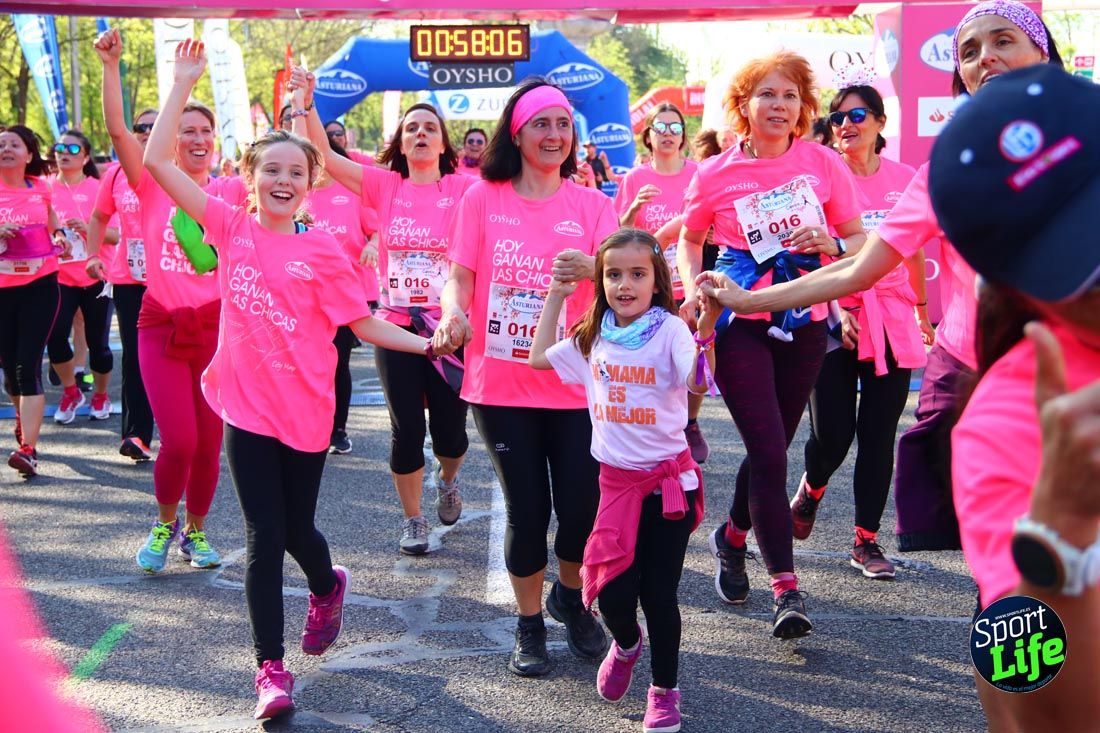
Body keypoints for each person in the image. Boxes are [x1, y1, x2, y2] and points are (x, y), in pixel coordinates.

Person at [148, 39, 449, 720]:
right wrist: (182, 81)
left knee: (298, 533)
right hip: (247, 410)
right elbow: (160, 160)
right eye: (271, 169)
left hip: (308, 411)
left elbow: (364, 324)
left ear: (311, 183)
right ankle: (270, 668)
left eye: (296, 171)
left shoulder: (324, 248)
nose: (283, 180)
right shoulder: (228, 226)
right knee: (262, 536)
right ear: (250, 177)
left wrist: (426, 342)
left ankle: (325, 582)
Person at [695, 0, 1064, 554]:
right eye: (969, 51)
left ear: (1043, 53)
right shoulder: (946, 168)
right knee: (995, 541)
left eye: (1003, 41)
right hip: (969, 368)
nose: (986, 58)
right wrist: (750, 301)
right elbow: (862, 264)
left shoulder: (1086, 140)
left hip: (1069, 374)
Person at [929, 63, 1100, 732]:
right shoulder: (1012, 419)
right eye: (1077, 267)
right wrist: (1058, 536)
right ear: (1014, 287)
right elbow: (1023, 699)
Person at [678, 50, 866, 638]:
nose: (779, 105)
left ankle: (732, 539)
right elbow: (689, 240)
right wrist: (692, 290)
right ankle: (786, 588)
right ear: (743, 105)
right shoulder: (715, 172)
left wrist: (831, 245)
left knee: (775, 446)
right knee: (768, 451)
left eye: (788, 95)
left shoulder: (824, 164)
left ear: (802, 105)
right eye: (766, 94)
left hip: (805, 319)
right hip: (740, 324)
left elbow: (860, 242)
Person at [434, 78, 616, 676]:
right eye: (542, 124)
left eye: (563, 125)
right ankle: (530, 623)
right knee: (528, 509)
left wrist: (595, 266)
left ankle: (570, 595)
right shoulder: (482, 198)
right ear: (518, 131)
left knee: (581, 508)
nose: (555, 136)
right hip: (501, 384)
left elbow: (628, 279)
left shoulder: (591, 205)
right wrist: (455, 311)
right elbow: (457, 276)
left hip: (572, 380)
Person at [529, 229, 713, 733]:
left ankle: (664, 691)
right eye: (613, 275)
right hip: (614, 487)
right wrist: (555, 294)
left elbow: (698, 381)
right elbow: (539, 357)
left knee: (658, 594)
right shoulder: (594, 336)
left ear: (657, 282)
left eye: (637, 274)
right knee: (611, 595)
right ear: (600, 280)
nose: (625, 284)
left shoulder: (672, 331)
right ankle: (627, 645)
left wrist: (708, 328)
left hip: (668, 487)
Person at [296, 76, 473, 556]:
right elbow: (324, 158)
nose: (420, 133)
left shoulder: (464, 189)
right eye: (411, 127)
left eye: (429, 128)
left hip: (449, 324)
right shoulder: (383, 185)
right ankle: (413, 520)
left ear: (442, 142)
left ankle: (449, 478)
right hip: (394, 324)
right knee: (406, 429)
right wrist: (306, 104)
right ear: (399, 140)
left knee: (451, 433)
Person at [97, 27, 248, 573]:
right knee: (179, 440)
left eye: (205, 130)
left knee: (209, 445)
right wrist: (114, 67)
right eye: (186, 130)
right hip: (160, 325)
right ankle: (164, 522)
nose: (197, 138)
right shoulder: (152, 183)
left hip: (216, 330)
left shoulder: (232, 192)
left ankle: (197, 532)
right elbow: (119, 129)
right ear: (171, 136)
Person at [791, 78, 934, 580]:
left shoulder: (905, 178)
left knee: (878, 433)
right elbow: (805, 260)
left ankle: (866, 541)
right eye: (837, 119)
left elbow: (912, 248)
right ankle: (811, 486)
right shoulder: (818, 181)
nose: (846, 126)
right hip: (832, 317)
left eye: (857, 116)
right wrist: (835, 310)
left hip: (891, 318)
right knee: (833, 433)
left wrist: (919, 307)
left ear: (879, 124)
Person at [615, 103, 710, 465]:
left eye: (675, 126)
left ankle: (690, 421)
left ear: (683, 136)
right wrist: (631, 210)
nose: (668, 132)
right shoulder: (635, 179)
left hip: (689, 282)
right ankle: (652, 429)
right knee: (653, 362)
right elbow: (617, 235)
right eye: (660, 126)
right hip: (647, 287)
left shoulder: (700, 174)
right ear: (649, 136)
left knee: (695, 350)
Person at [298, 136, 380, 455]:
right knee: (305, 362)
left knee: (338, 362)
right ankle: (309, 425)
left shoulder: (352, 193)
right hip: (303, 294)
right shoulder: (300, 194)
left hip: (346, 293)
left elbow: (376, 227)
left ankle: (338, 429)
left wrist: (373, 244)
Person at [86, 108, 159, 461]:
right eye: (140, 127)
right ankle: (137, 435)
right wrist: (91, 255)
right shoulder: (115, 174)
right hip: (130, 278)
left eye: (155, 126)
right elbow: (99, 218)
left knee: (185, 354)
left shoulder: (176, 171)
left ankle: (194, 430)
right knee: (135, 356)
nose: (146, 132)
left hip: (176, 277)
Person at [0, 125, 68, 476]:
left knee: (28, 365)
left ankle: (28, 448)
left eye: (14, 144)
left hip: (41, 284)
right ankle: (21, 422)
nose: (6, 148)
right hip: (1, 290)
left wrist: (59, 235)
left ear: (28, 154)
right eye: (1, 144)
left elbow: (52, 219)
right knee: (10, 371)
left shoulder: (41, 187)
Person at [47, 129, 116, 425]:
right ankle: (71, 390)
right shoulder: (45, 188)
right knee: (55, 337)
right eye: (60, 148)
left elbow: (114, 236)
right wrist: (55, 238)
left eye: (73, 149)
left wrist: (89, 229)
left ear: (86, 156)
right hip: (58, 276)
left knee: (98, 343)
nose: (64, 153)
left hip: (96, 274)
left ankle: (101, 393)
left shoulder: (98, 188)